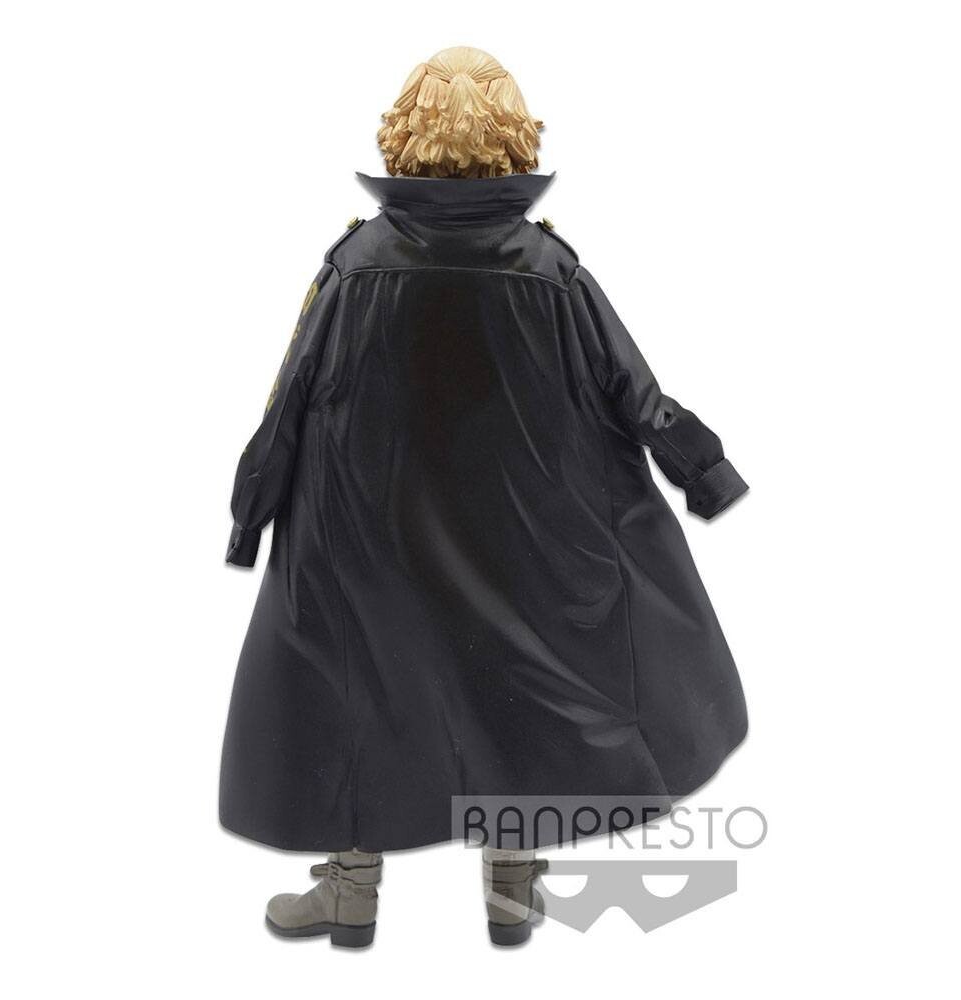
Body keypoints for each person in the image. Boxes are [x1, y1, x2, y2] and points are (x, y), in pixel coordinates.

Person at [220, 46, 749, 948]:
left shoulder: (355, 266)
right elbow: (637, 394)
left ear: (404, 132)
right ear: (512, 135)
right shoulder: (550, 270)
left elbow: (288, 403)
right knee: (517, 690)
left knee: (353, 692)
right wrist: (707, 475)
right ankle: (510, 891)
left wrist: (250, 516)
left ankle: (351, 894)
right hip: (522, 540)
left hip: (366, 543)